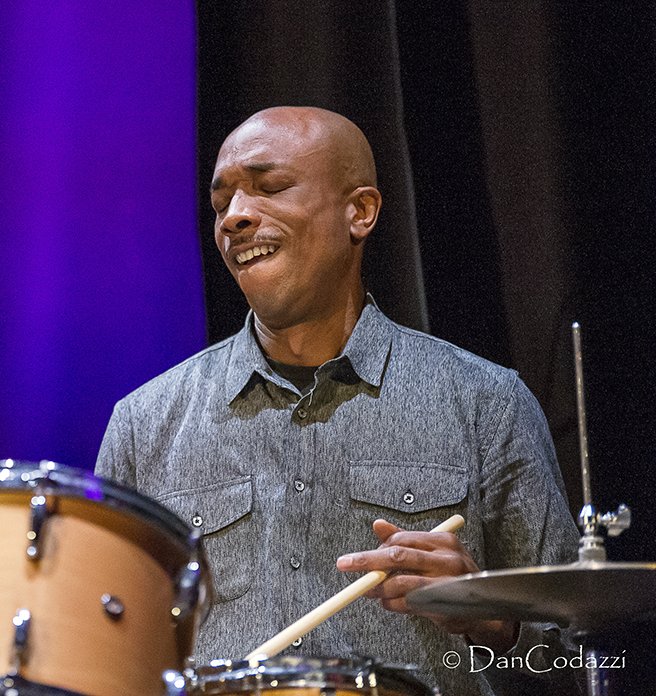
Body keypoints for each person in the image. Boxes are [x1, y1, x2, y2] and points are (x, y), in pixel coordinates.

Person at [95, 107, 580, 696]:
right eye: (222, 204)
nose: (236, 218)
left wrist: (496, 623)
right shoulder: (144, 425)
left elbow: (574, 664)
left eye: (270, 188)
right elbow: (105, 656)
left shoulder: (486, 404)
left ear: (361, 212)